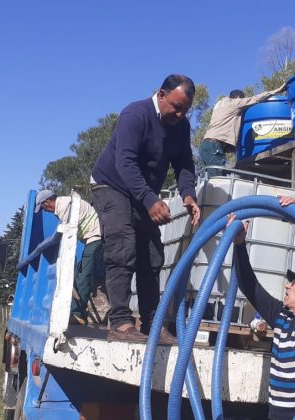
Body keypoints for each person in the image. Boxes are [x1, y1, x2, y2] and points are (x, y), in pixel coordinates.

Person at [91, 74, 201, 344]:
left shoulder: (180, 126)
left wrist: (188, 194)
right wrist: (150, 200)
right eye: (176, 107)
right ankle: (120, 324)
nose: (180, 114)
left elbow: (185, 164)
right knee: (122, 248)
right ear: (161, 95)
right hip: (111, 184)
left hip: (141, 193)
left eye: (186, 110)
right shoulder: (135, 115)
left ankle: (152, 325)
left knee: (152, 255)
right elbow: (124, 163)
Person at [227, 196, 295, 419]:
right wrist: (239, 245)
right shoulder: (280, 316)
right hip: (278, 413)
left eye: (294, 282)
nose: (287, 285)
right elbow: (250, 287)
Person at [35, 190, 104, 326]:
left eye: (43, 206)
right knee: (81, 273)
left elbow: (67, 235)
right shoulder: (65, 204)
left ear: (48, 201)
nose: (45, 210)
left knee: (84, 275)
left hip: (95, 237)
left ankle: (78, 315)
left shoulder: (63, 206)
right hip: (93, 238)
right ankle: (79, 311)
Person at [199, 84, 286, 177]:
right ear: (237, 98)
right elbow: (256, 99)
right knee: (216, 179)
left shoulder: (219, 105)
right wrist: (277, 90)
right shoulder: (235, 103)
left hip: (205, 146)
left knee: (212, 178)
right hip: (214, 146)